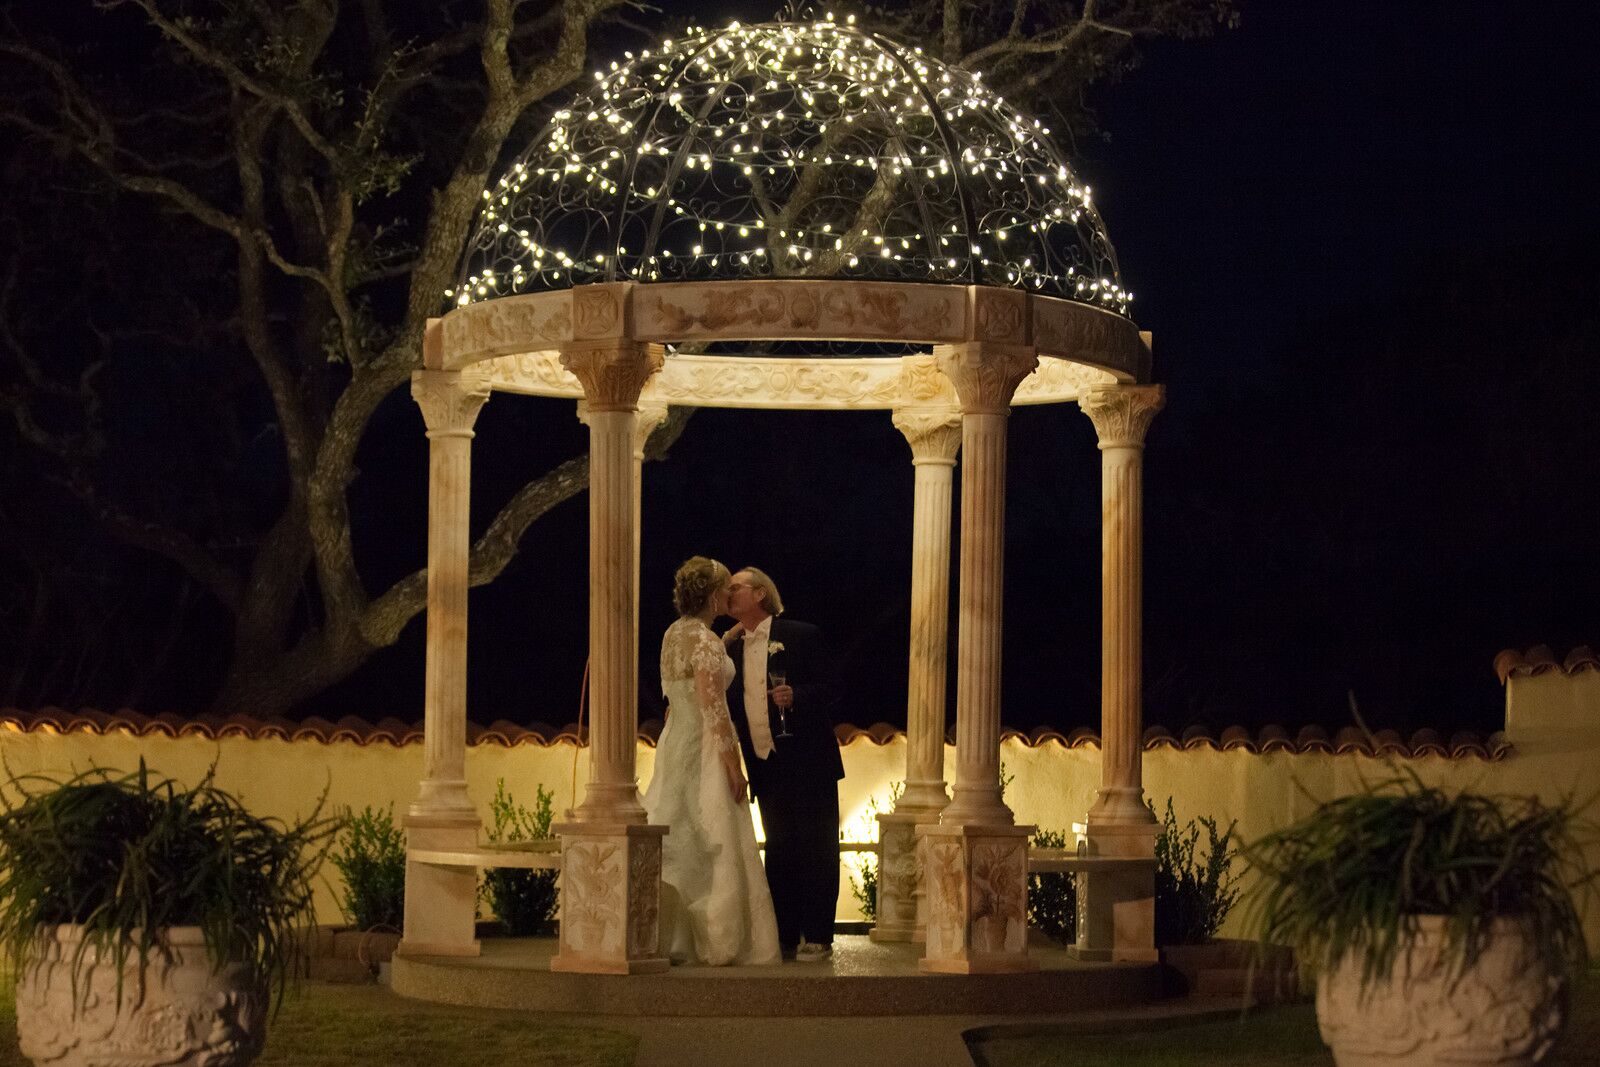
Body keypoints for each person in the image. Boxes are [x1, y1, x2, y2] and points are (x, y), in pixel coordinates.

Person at [643, 556, 781, 966]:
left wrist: (729, 638)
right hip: (703, 745)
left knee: (679, 828)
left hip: (674, 744)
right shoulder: (704, 641)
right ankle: (720, 940)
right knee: (714, 836)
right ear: (711, 594)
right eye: (724, 588)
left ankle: (669, 934)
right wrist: (732, 766)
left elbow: (685, 683)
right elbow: (713, 707)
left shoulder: (675, 634)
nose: (728, 593)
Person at [724, 566, 844, 962]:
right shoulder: (732, 650)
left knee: (817, 847)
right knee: (779, 848)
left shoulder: (800, 635)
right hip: (765, 763)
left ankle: (819, 936)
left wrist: (799, 696)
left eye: (735, 588)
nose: (728, 593)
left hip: (810, 762)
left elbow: (833, 689)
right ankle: (785, 934)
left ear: (759, 594)